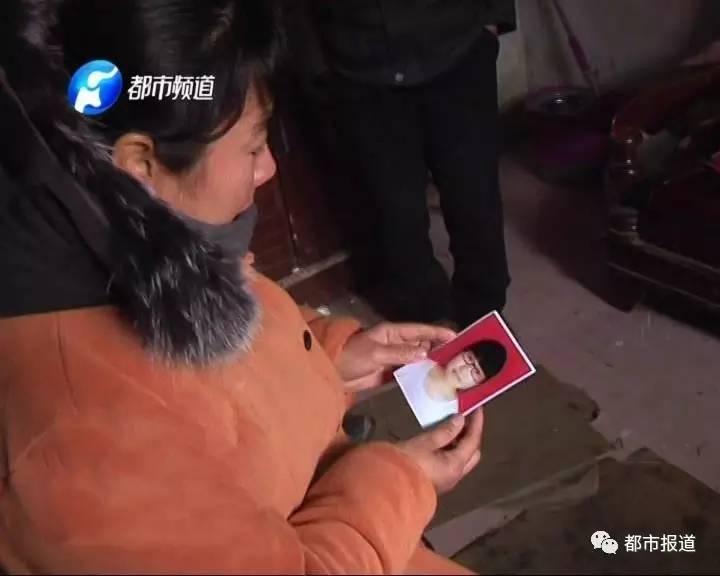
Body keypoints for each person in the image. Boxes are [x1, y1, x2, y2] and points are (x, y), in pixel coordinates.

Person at [0, 1, 485, 573]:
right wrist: (400, 482)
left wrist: (327, 356)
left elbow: (218, 386)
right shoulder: (82, 435)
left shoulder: (128, 231)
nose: (268, 168)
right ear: (141, 161)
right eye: (254, 147)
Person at [312, 0, 515, 328]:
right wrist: (314, 62)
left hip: (457, 44)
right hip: (358, 64)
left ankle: (484, 312)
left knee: (474, 195)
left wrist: (494, 19)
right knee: (395, 211)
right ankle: (425, 317)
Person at [398, 340, 506, 428]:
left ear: (479, 383)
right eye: (469, 358)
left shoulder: (450, 416)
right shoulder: (418, 361)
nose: (463, 370)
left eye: (476, 372)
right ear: (461, 352)